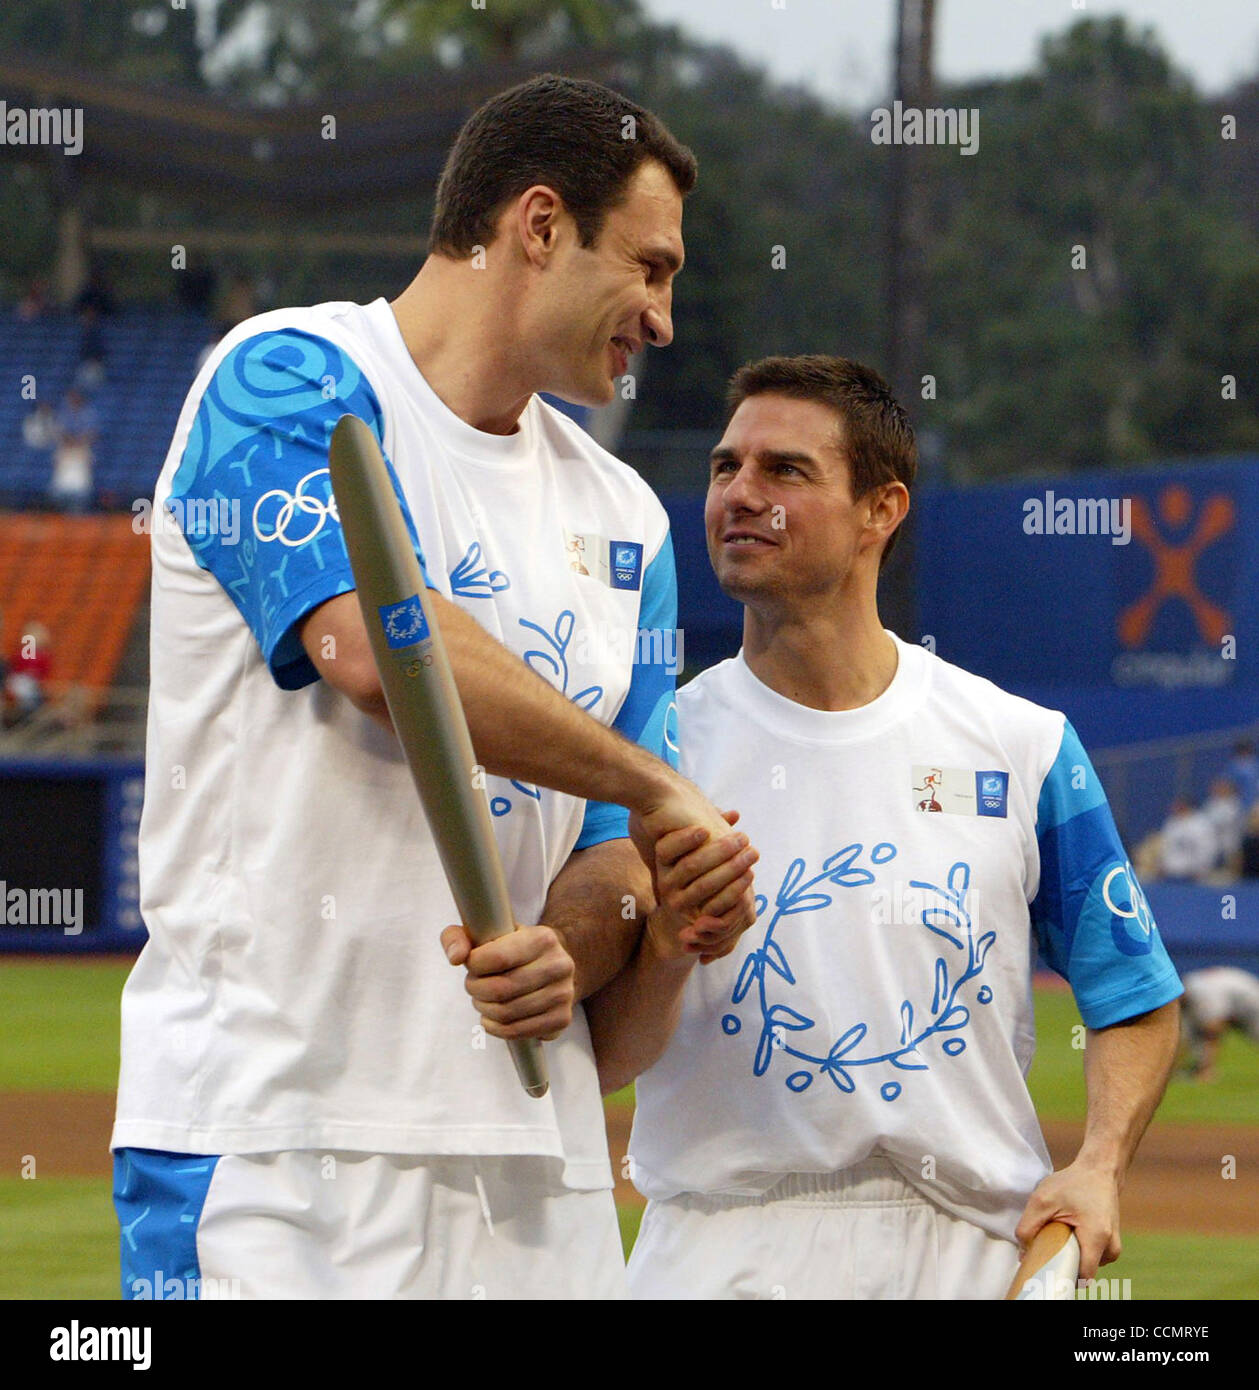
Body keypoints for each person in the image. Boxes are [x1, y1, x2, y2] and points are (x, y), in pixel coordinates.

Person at [110, 74, 755, 1303]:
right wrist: (658, 784)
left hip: (536, 1163)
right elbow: (379, 652)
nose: (664, 318)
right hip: (275, 1142)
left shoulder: (625, 517)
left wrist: (574, 944)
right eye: (651, 267)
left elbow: (617, 858)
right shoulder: (286, 380)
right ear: (539, 224)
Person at [589, 355, 1183, 1300]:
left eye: (783, 470)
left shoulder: (1022, 746)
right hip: (716, 1252)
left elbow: (1135, 994)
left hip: (966, 1254)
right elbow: (606, 1060)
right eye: (722, 468)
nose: (739, 495)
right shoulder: (644, 755)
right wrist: (666, 947)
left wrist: (1099, 1166)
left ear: (882, 510)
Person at [1178, 966, 1259, 1081]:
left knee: (1209, 1032)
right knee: (1193, 1031)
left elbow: (1214, 1028)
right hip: (1235, 996)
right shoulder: (1189, 983)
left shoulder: (1202, 992)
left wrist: (1207, 1067)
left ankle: (1205, 1071)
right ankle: (1196, 1069)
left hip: (1252, 1004)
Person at [49, 387, 98, 513]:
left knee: (80, 497)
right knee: (58, 495)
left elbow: (92, 434)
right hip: (65, 454)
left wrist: (77, 441)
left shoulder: (88, 414)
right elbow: (59, 432)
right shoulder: (63, 414)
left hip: (81, 454)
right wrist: (71, 440)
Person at [1158, 797, 1217, 882]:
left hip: (1196, 874)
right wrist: (1163, 865)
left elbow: (1208, 849)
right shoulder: (1171, 823)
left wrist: (1202, 868)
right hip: (1171, 873)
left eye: (1179, 806)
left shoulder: (1202, 823)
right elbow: (1166, 847)